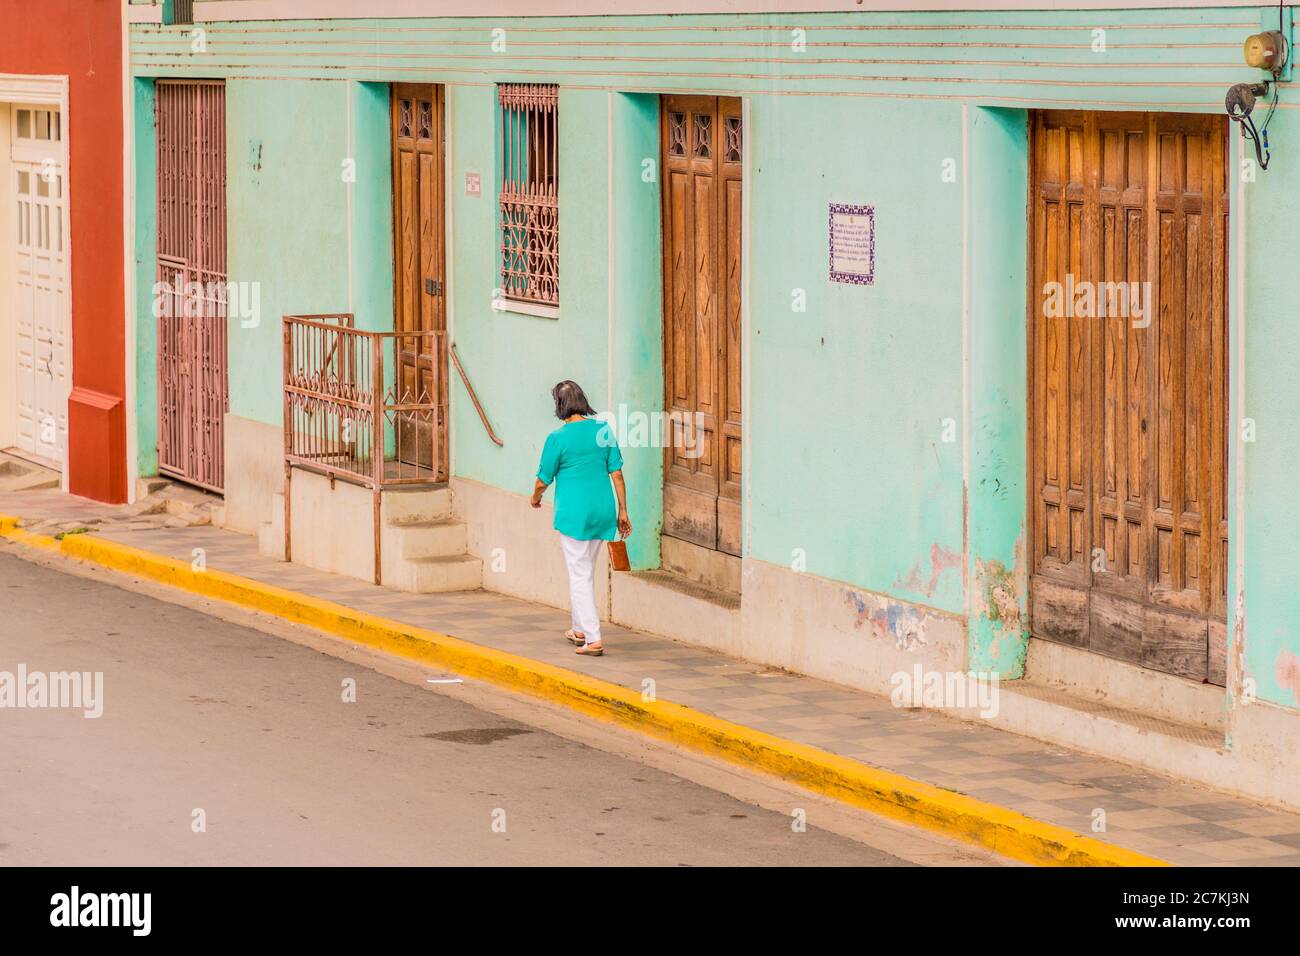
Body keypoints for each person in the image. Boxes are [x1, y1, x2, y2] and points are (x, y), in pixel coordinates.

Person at [531, 381, 631, 657]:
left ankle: (594, 638)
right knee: (584, 570)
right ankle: (579, 630)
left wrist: (535, 498)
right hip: (603, 512)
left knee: (578, 575)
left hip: (573, 515)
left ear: (560, 406)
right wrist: (623, 511)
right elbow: (618, 474)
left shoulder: (557, 438)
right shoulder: (603, 431)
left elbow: (543, 480)